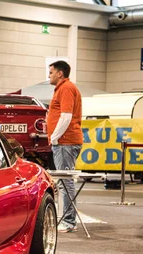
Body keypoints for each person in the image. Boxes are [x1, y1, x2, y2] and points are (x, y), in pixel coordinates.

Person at [46, 60, 83, 233]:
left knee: (65, 181)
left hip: (65, 142)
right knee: (63, 181)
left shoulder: (66, 88)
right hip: (64, 142)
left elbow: (66, 116)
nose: (49, 75)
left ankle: (69, 221)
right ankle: (68, 220)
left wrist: (54, 137)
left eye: (51, 72)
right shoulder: (63, 88)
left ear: (60, 73)